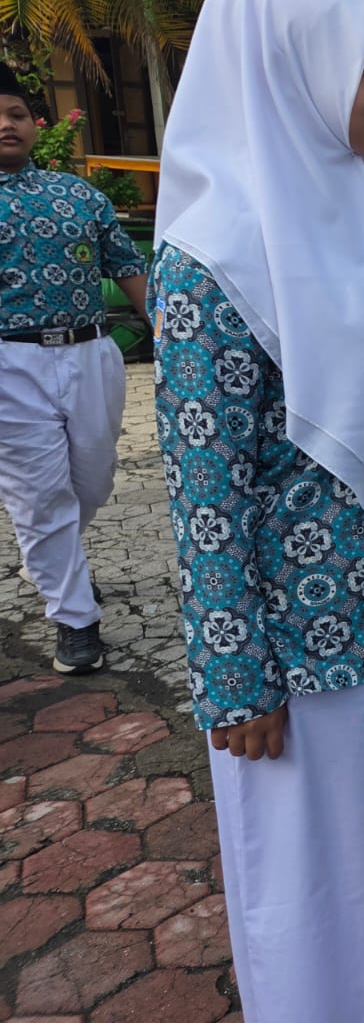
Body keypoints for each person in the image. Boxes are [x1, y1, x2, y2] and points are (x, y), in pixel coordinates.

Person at [149, 0, 364, 1023]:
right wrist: (234, 673)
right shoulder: (210, 261)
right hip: (295, 659)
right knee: (318, 889)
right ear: (288, 67)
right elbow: (204, 490)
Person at [0, 66, 147, 675]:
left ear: (36, 123)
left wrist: (165, 329)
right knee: (41, 495)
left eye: (13, 113)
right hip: (10, 361)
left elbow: (128, 263)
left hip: (92, 354)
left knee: (91, 481)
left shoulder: (79, 196)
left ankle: (59, 560)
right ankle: (74, 620)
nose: (4, 125)